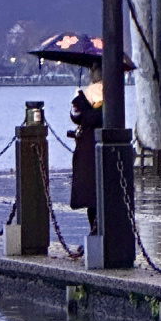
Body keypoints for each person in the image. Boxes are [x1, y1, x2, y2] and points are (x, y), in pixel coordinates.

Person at [69, 64, 103, 232]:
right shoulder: (91, 93)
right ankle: (94, 227)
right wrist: (77, 104)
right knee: (92, 196)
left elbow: (92, 118)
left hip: (93, 149)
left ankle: (97, 228)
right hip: (88, 148)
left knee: (95, 194)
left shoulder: (102, 93)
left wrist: (81, 101)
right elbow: (77, 117)